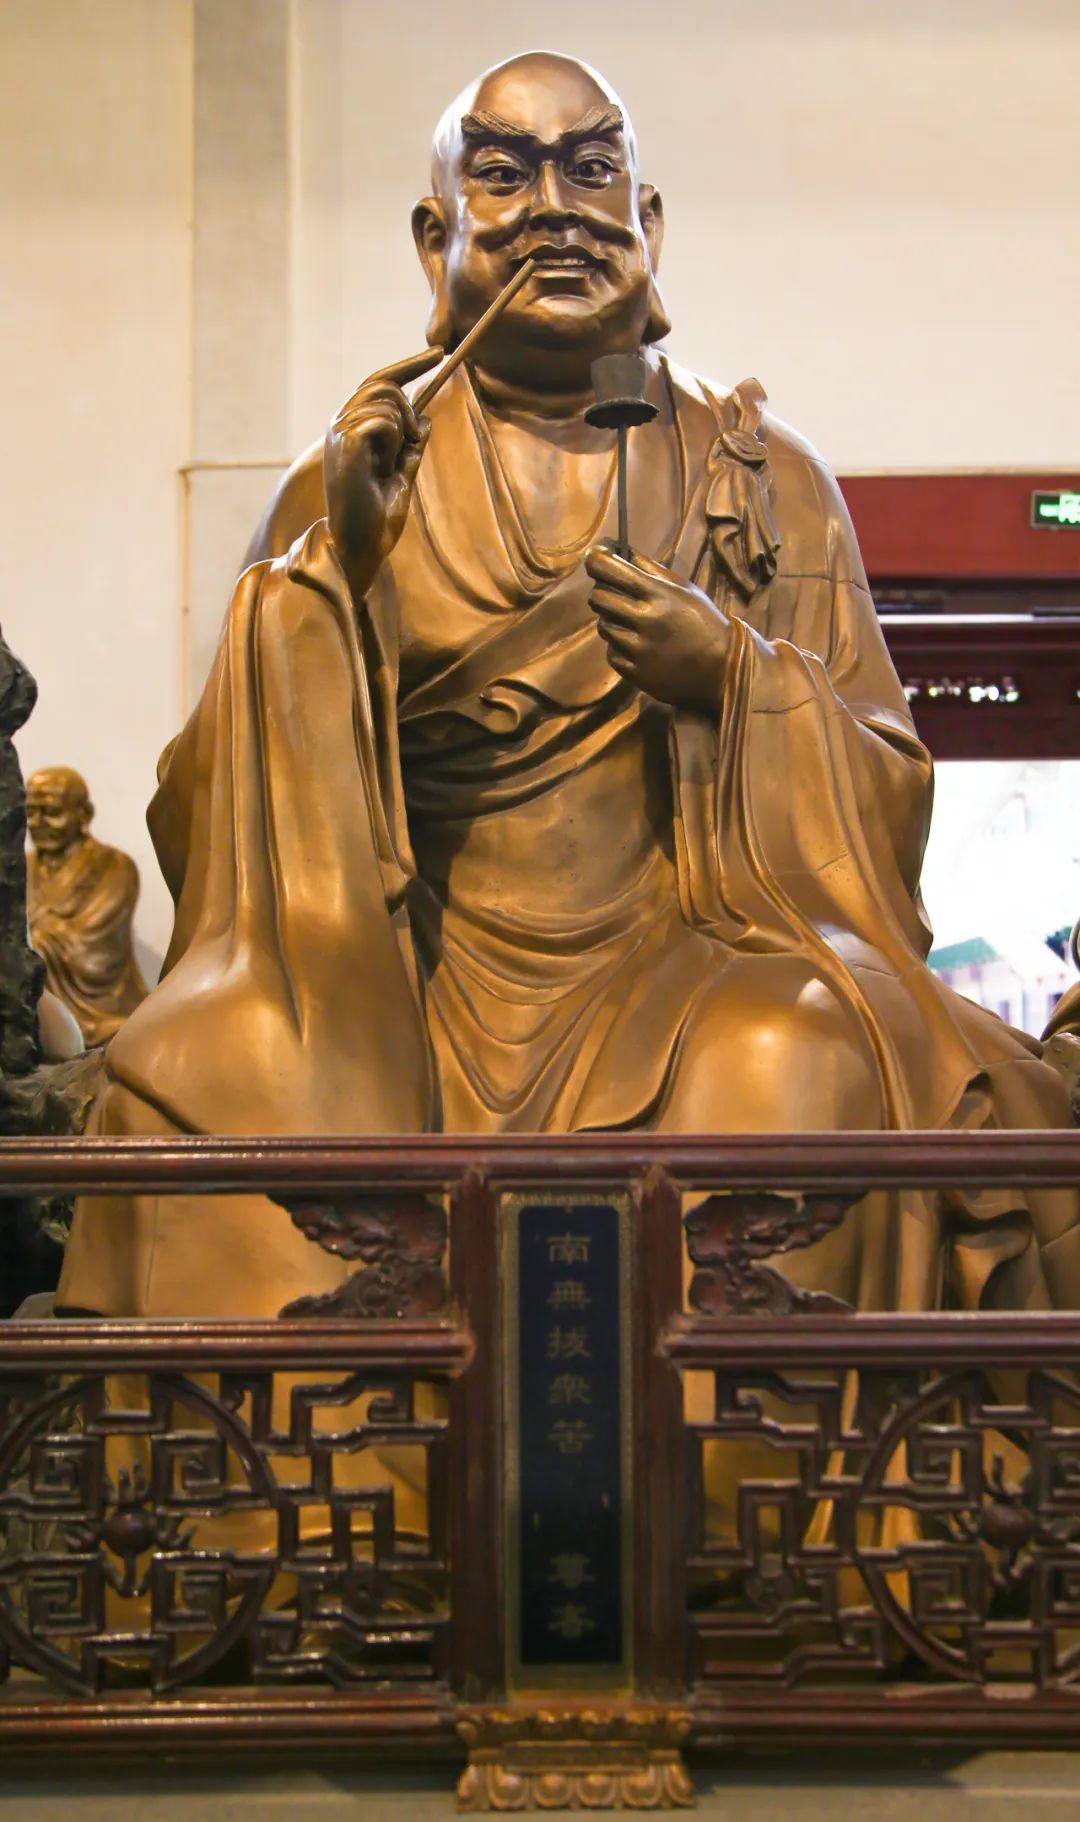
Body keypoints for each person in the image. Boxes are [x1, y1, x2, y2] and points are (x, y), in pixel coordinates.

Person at [58, 51, 1078, 1324]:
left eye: (592, 170)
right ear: (435, 236)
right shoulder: (352, 476)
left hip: (697, 960)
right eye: (504, 174)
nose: (555, 209)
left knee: (797, 1050)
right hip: (410, 974)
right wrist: (335, 582)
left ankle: (733, 1446)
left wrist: (734, 679)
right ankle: (356, 1447)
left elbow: (886, 790)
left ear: (647, 220)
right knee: (208, 1068)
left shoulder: (765, 480)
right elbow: (213, 815)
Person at [26, 766, 147, 1048]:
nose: (38, 823)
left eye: (52, 812)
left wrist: (28, 948)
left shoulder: (114, 867)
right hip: (31, 1007)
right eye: (30, 812)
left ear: (84, 814)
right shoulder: (19, 868)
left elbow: (93, 946)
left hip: (95, 1010)